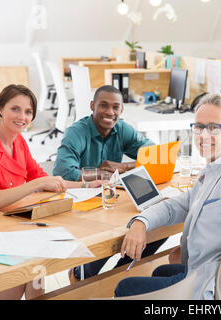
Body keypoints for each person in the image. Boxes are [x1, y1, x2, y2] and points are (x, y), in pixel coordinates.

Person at [114, 93, 221, 299]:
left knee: (125, 288)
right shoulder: (214, 169)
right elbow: (177, 206)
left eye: (214, 128)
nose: (203, 136)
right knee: (160, 271)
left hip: (210, 285)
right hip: (201, 270)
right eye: (198, 127)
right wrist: (141, 221)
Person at [0, 84, 96, 299]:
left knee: (36, 272)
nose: (22, 116)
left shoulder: (19, 141)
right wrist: (34, 185)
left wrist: (87, 186)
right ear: (0, 109)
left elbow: (43, 179)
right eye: (15, 109)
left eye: (28, 112)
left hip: (18, 225)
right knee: (31, 271)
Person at [52, 85, 167, 282]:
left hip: (111, 200)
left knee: (157, 225)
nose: (109, 112)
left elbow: (155, 153)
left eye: (115, 107)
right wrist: (102, 175)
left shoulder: (121, 128)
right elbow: (62, 172)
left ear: (121, 110)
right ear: (92, 106)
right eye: (103, 105)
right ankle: (83, 274)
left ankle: (119, 276)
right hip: (81, 203)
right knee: (113, 233)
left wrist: (122, 167)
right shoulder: (76, 132)